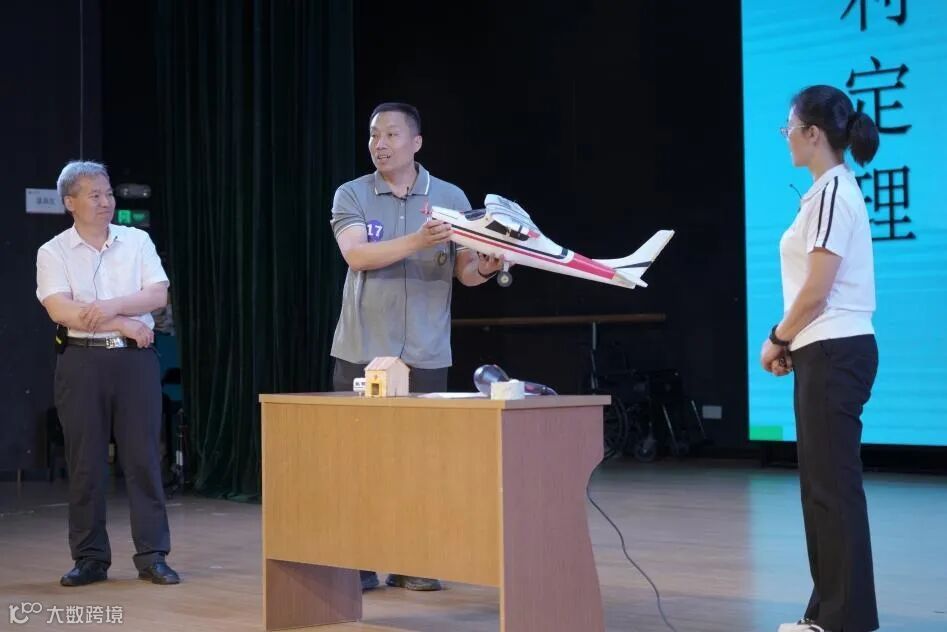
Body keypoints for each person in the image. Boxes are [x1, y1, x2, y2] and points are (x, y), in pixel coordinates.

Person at [329, 102, 502, 592]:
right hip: (363, 350)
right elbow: (357, 255)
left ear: (416, 142)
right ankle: (359, 562)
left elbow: (465, 272)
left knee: (422, 463)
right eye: (373, 135)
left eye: (391, 134)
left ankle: (414, 561)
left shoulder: (449, 197)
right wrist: (418, 240)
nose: (379, 144)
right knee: (359, 462)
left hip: (425, 351)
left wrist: (486, 266)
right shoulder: (352, 193)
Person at [761, 86, 880, 632]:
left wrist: (777, 337)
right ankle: (828, 613)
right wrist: (795, 342)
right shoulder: (823, 193)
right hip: (824, 349)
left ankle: (843, 620)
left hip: (834, 350)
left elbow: (818, 289)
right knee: (822, 490)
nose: (786, 137)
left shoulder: (834, 191)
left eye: (789, 128)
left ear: (813, 134)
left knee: (832, 490)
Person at [36, 160, 180, 587]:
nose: (106, 201)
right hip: (81, 361)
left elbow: (156, 294)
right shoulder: (53, 251)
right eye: (94, 195)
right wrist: (123, 323)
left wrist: (110, 309)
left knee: (143, 459)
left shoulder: (136, 241)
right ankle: (90, 557)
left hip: (135, 362)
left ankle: (152, 555)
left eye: (108, 193)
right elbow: (60, 309)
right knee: (86, 463)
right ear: (70, 202)